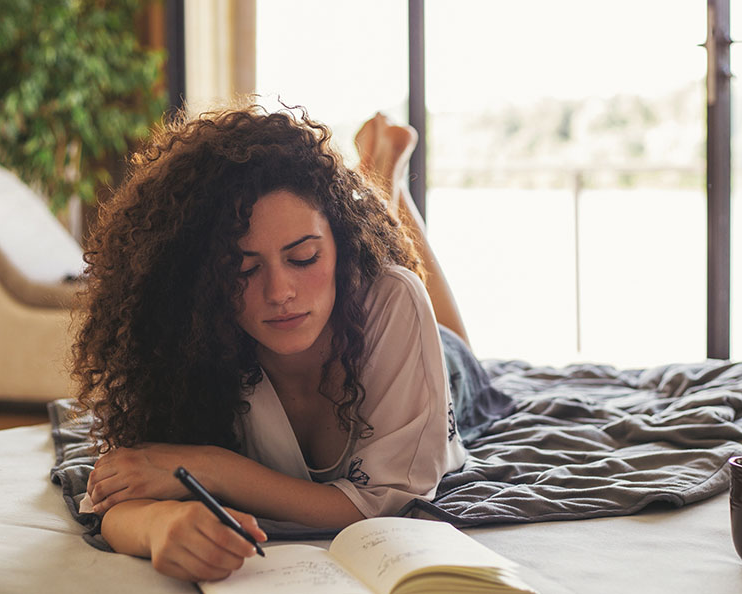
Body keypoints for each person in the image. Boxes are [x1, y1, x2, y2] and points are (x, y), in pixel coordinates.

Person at [72, 104, 472, 582]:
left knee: (455, 345)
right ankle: (378, 175)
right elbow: (120, 493)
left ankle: (386, 179)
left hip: (427, 360)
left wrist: (210, 468)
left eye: (303, 257)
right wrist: (159, 524)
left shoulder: (390, 299)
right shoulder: (185, 333)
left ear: (340, 245)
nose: (279, 293)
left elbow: (387, 504)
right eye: (243, 268)